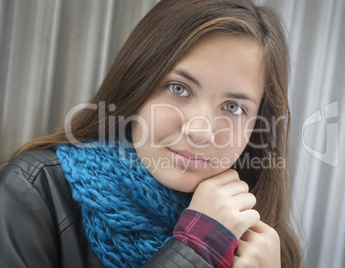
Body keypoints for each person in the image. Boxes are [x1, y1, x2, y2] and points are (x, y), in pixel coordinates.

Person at [0, 0, 303, 267]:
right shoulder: (35, 192)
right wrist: (197, 249)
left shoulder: (262, 236)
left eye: (233, 107)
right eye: (178, 88)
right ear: (137, 84)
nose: (200, 131)